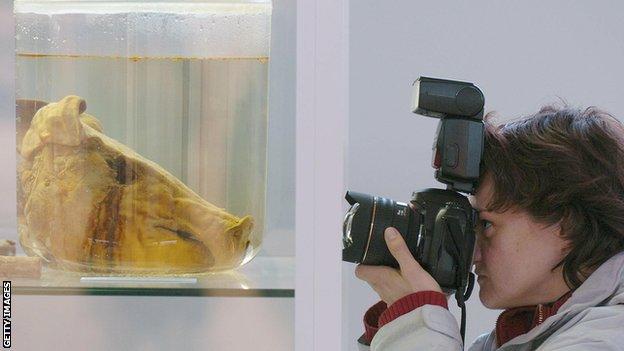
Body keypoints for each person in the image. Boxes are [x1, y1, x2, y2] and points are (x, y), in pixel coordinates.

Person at [355, 104, 624, 350]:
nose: (472, 254)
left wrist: (415, 324)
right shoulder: (518, 335)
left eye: (486, 224)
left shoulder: (607, 338)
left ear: (565, 223)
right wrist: (399, 319)